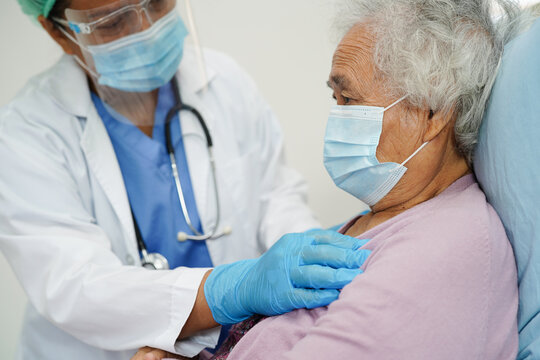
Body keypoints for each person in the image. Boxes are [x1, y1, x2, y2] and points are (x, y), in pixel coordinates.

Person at [136, 0, 522, 358]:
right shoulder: (384, 220)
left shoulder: (447, 250)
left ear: (432, 113)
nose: (337, 119)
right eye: (334, 100)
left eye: (350, 101)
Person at [0, 0, 373, 359]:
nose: (145, 28)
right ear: (57, 31)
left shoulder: (224, 82)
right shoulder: (28, 133)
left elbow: (275, 196)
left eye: (158, 2)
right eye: (112, 22)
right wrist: (230, 290)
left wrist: (304, 260)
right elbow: (75, 286)